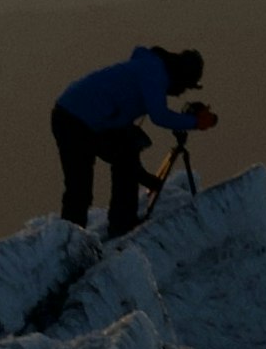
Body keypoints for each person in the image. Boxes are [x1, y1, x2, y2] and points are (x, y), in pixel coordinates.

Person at [50, 41, 218, 237]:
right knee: (79, 188)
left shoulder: (149, 68)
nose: (181, 93)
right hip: (74, 120)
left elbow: (125, 156)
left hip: (79, 116)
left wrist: (146, 178)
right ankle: (71, 242)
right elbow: (160, 116)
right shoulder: (154, 74)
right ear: (180, 76)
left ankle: (119, 224)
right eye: (185, 86)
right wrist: (194, 122)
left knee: (125, 153)